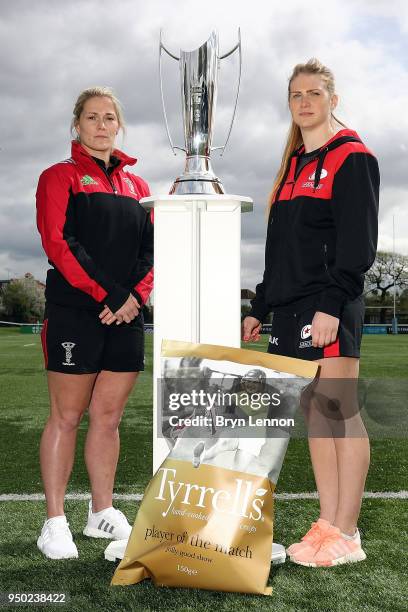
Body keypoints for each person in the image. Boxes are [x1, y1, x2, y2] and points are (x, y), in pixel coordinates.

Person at [242, 59, 379, 568]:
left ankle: (348, 532)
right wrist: (261, 306)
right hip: (292, 306)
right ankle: (327, 523)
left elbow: (357, 244)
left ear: (333, 100)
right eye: (297, 94)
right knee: (316, 415)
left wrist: (329, 305)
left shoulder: (352, 157)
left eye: (315, 93)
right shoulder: (293, 164)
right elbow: (279, 249)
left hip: (331, 305)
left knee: (340, 412)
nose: (304, 102)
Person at [36, 86, 153, 559]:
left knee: (108, 418)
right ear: (77, 125)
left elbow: (152, 251)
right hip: (76, 312)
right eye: (92, 117)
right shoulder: (58, 176)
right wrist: (110, 294)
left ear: (119, 125)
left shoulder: (138, 187)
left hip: (126, 315)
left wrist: (134, 299)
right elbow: (59, 244)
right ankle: (55, 521)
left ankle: (101, 513)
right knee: (67, 416)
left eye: (109, 118)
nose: (101, 125)